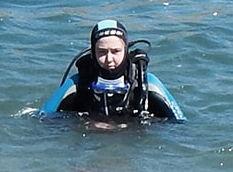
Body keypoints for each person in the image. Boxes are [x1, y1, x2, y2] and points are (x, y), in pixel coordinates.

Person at [40, 18, 184, 121]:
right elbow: (41, 119)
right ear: (93, 53)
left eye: (115, 51)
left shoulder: (147, 83)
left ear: (126, 50)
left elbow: (180, 124)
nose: (109, 59)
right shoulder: (77, 85)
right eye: (102, 52)